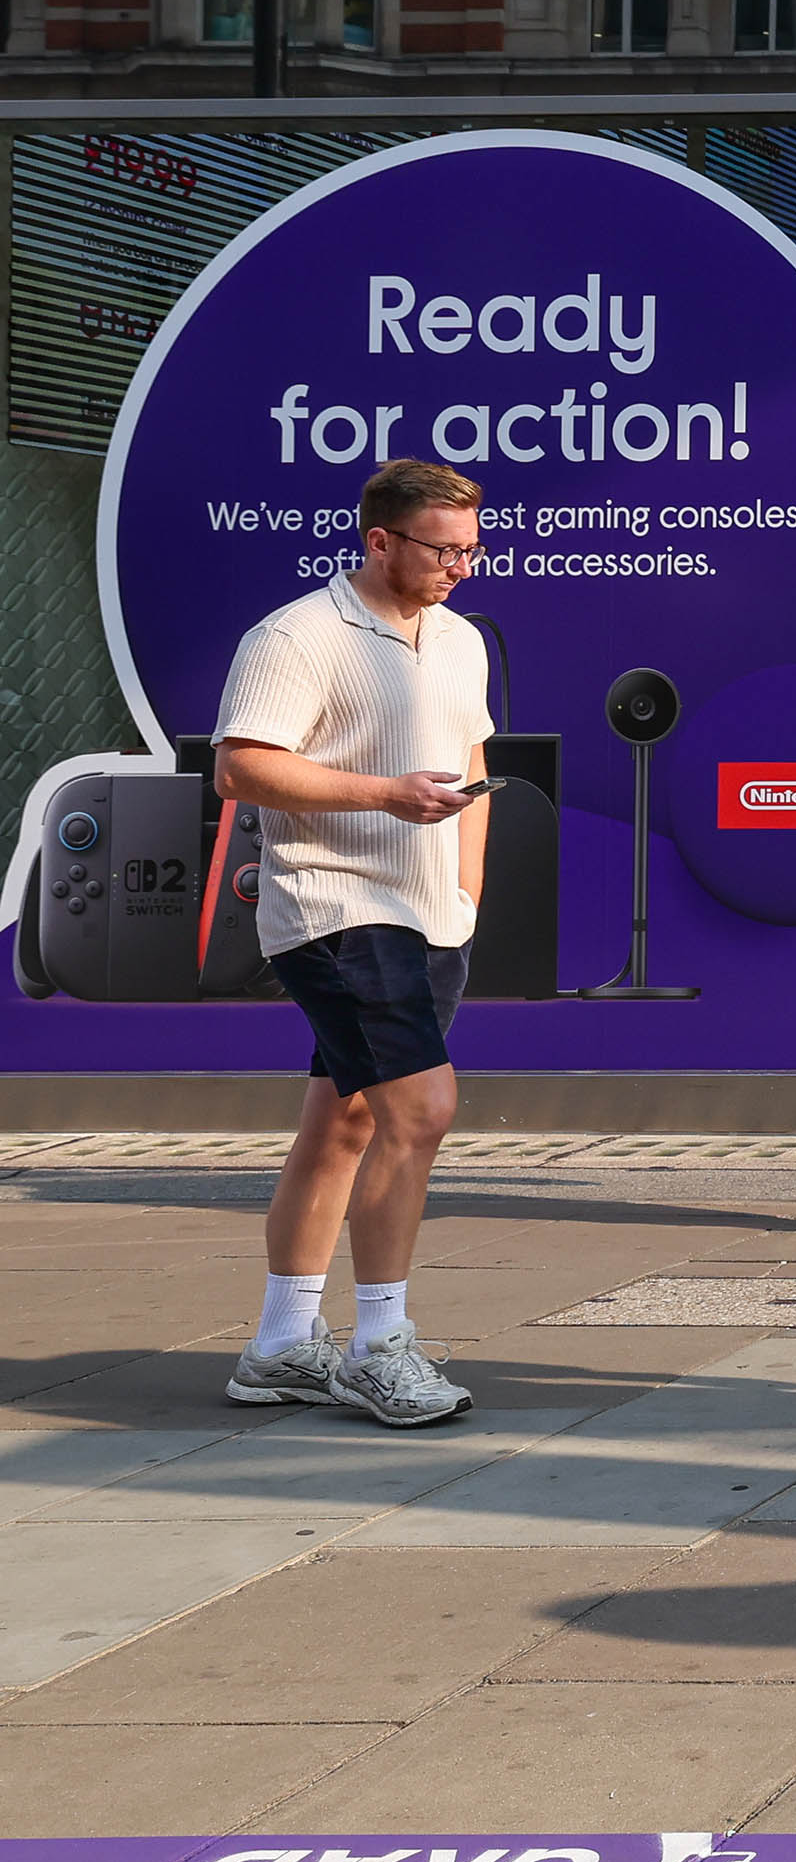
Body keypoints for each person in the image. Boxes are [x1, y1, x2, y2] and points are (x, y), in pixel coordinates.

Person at [212, 461, 500, 1427]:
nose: (463, 564)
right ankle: (381, 1345)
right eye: (442, 547)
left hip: (431, 914)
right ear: (379, 540)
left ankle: (280, 1343)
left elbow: (473, 758)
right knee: (423, 1109)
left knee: (347, 1121)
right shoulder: (296, 635)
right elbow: (241, 768)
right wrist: (383, 794)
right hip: (333, 904)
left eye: (472, 545)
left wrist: (467, 887)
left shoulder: (460, 639)